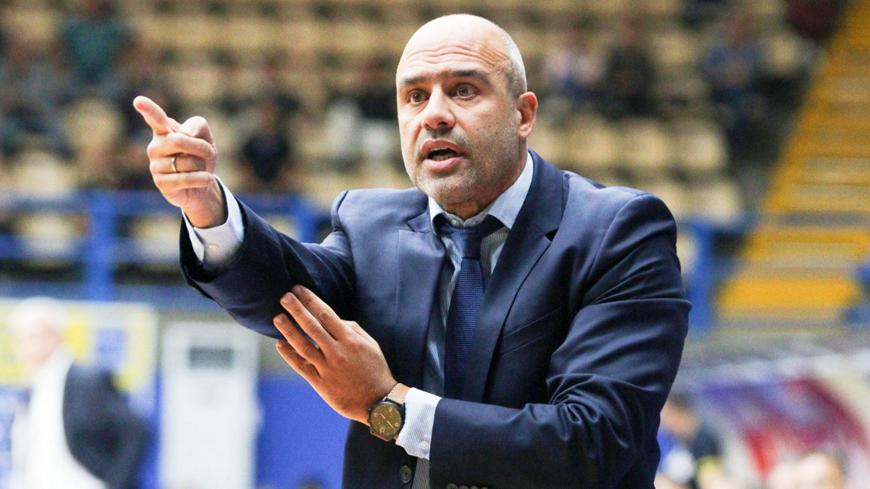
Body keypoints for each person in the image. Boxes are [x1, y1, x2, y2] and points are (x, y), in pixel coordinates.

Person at [134, 14, 688, 488]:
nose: (434, 114)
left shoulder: (617, 231)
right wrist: (207, 207)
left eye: (464, 90)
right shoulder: (369, 225)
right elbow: (282, 291)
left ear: (523, 115)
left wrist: (390, 407)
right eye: (415, 96)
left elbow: (591, 442)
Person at [8, 296, 149, 489]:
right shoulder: (33, 386)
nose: (21, 348)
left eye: (29, 338)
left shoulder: (86, 381)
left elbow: (135, 432)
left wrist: (116, 484)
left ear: (54, 337)